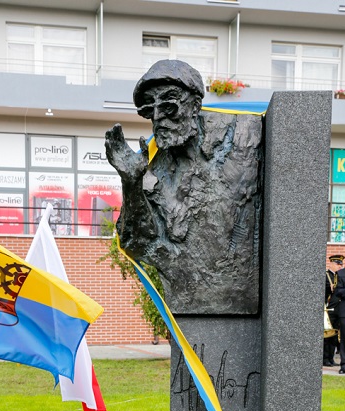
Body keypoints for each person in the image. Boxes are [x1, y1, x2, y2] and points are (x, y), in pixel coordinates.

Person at [105, 59, 263, 316]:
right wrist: (131, 182)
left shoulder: (241, 138)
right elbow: (136, 242)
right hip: (191, 294)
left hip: (234, 288)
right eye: (149, 109)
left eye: (169, 106)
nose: (158, 118)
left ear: (195, 106)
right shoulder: (154, 165)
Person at [323, 254, 343, 366]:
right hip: (329, 309)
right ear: (331, 263)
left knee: (335, 336)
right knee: (327, 336)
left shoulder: (340, 276)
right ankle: (325, 358)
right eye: (337, 264)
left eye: (340, 264)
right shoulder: (326, 275)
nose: (339, 266)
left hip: (338, 309)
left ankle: (331, 358)